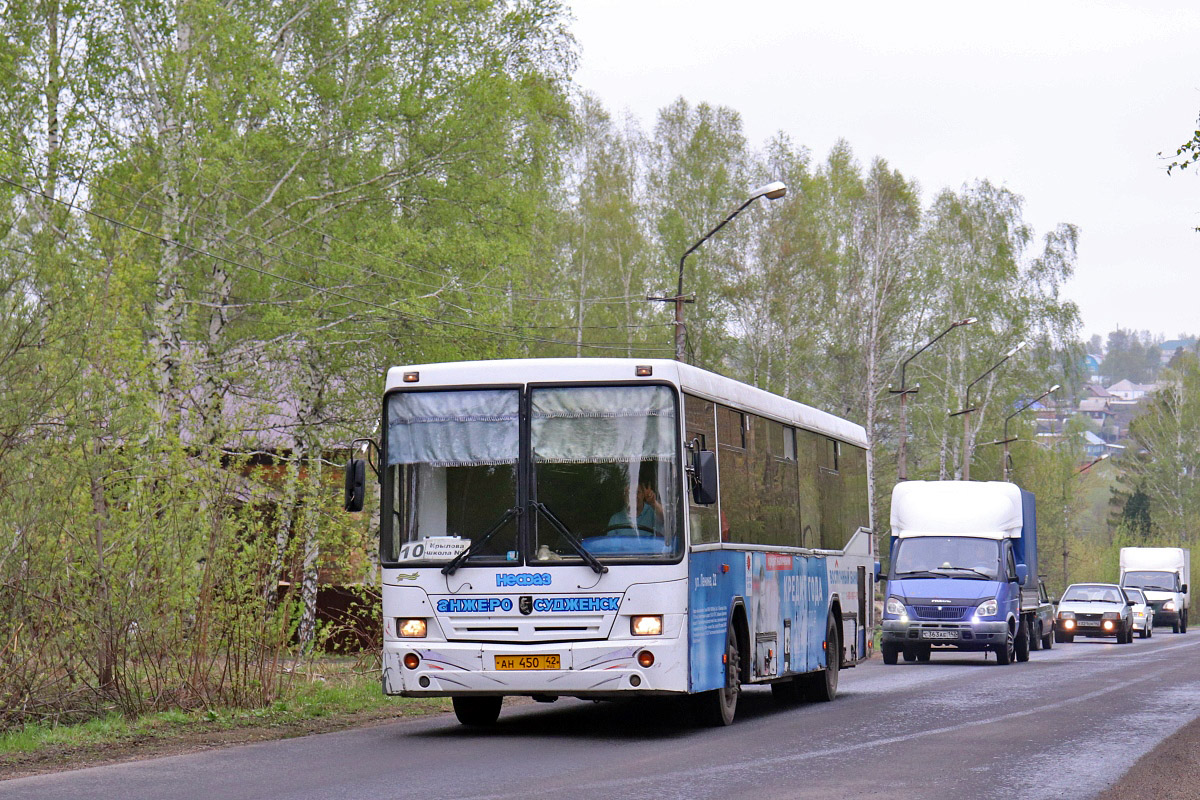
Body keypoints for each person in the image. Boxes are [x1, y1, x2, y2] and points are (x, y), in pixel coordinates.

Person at [606, 464, 664, 538]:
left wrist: (653, 503)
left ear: (643, 494)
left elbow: (667, 521)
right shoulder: (615, 519)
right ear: (624, 496)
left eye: (637, 492)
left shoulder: (653, 513)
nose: (633, 496)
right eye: (630, 493)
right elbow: (611, 546)